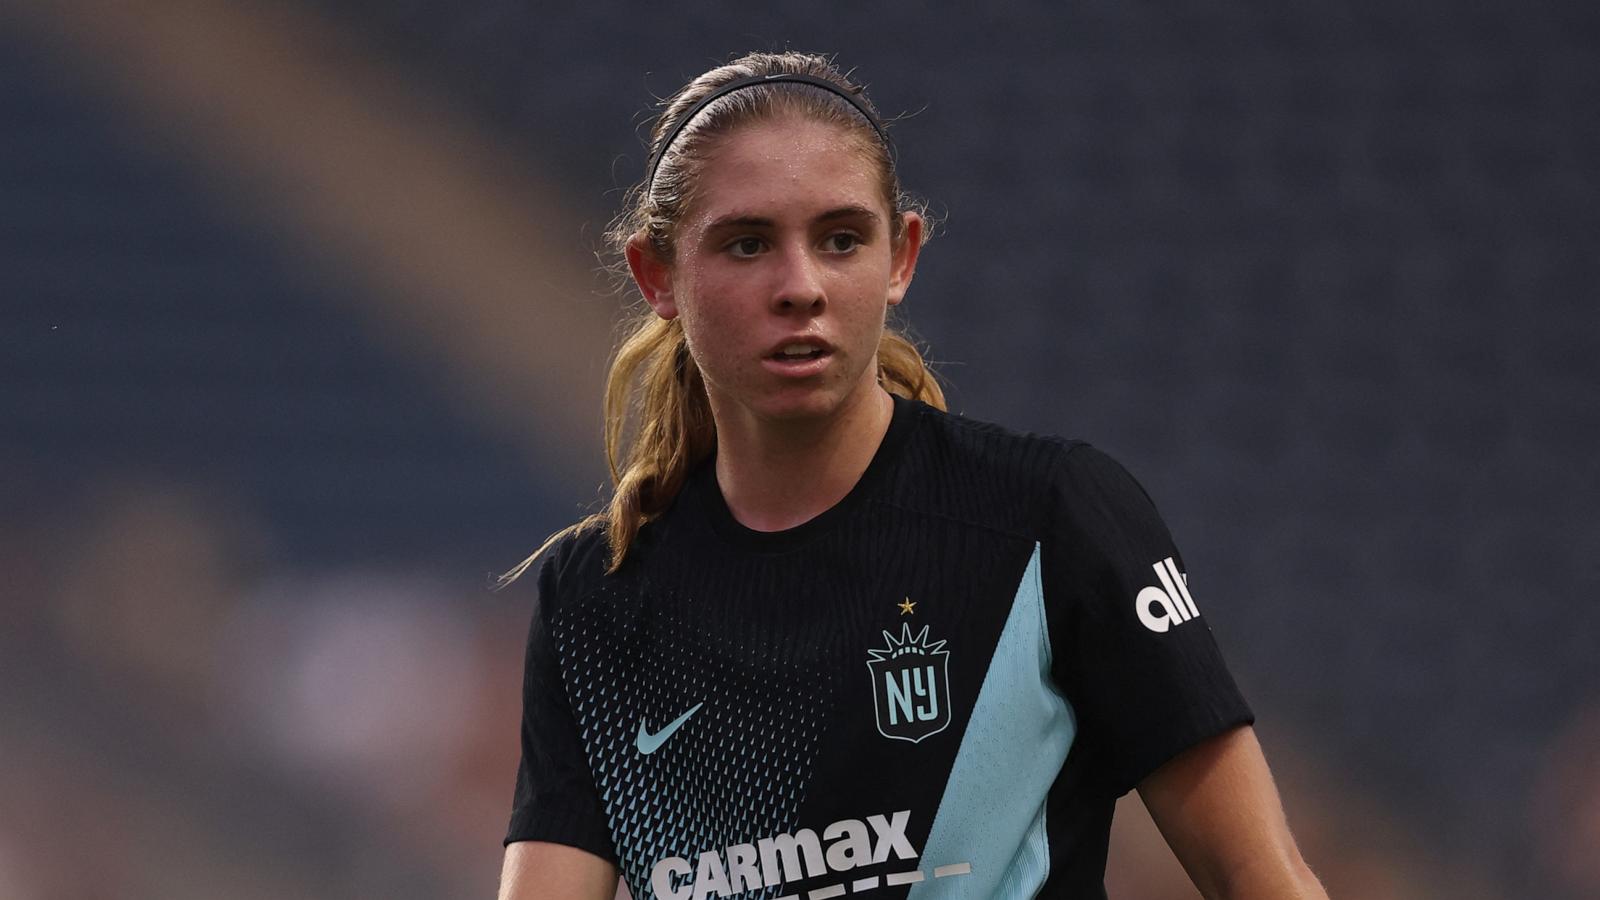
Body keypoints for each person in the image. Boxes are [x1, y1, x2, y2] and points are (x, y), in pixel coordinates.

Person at [496, 50, 1327, 900]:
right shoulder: (596, 597)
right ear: (657, 275)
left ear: (902, 257)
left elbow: (1260, 876)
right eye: (747, 244)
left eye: (842, 239)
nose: (801, 287)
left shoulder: (1052, 517)